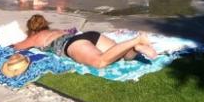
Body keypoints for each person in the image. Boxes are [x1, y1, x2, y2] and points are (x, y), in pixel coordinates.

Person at [13, 14, 157, 69]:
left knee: (100, 62)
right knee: (123, 55)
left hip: (72, 44)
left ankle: (136, 40)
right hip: (89, 36)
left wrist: (18, 41)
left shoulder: (35, 37)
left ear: (32, 29)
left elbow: (17, 47)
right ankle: (135, 48)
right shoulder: (56, 31)